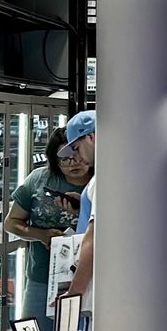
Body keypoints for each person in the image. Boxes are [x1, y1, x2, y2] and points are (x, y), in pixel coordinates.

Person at [4, 127, 89, 325]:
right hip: (42, 277)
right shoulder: (39, 179)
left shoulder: (101, 184)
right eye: (65, 158)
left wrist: (84, 211)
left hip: (89, 277)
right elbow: (11, 223)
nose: (73, 163)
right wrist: (41, 235)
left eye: (78, 155)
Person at [62, 110, 98, 301]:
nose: (78, 158)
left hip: (93, 288)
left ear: (90, 137)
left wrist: (74, 292)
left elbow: (94, 239)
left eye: (76, 148)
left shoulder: (102, 179)